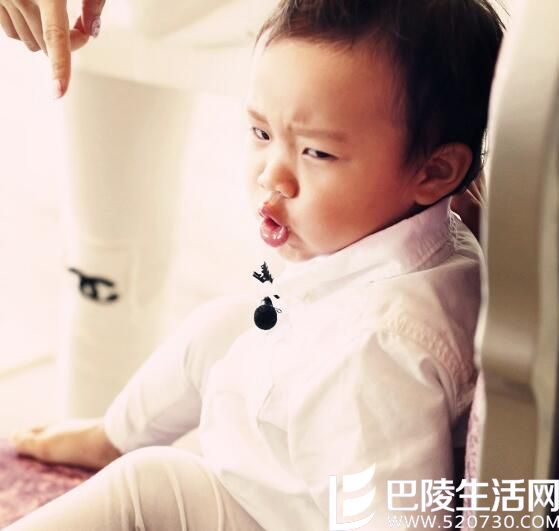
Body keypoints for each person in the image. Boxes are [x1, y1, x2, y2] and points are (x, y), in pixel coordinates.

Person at [6, 0, 503, 529]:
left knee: (149, 484)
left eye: (317, 153)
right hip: (293, 463)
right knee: (222, 328)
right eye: (262, 134)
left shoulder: (377, 358)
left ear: (435, 171)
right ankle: (111, 436)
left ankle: (118, 451)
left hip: (283, 518)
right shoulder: (429, 230)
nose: (272, 176)